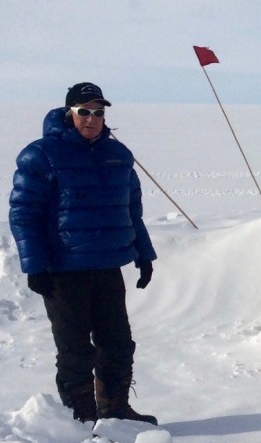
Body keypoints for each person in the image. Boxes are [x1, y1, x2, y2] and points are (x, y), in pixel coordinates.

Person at [9, 82, 158, 425]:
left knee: (118, 343)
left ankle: (115, 410)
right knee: (76, 351)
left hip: (107, 267)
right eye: (84, 111)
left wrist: (143, 254)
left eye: (99, 112)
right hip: (64, 270)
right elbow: (24, 212)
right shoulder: (41, 154)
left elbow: (131, 209)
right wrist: (36, 265)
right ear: (69, 113)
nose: (92, 119)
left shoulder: (118, 155)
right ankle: (81, 420)